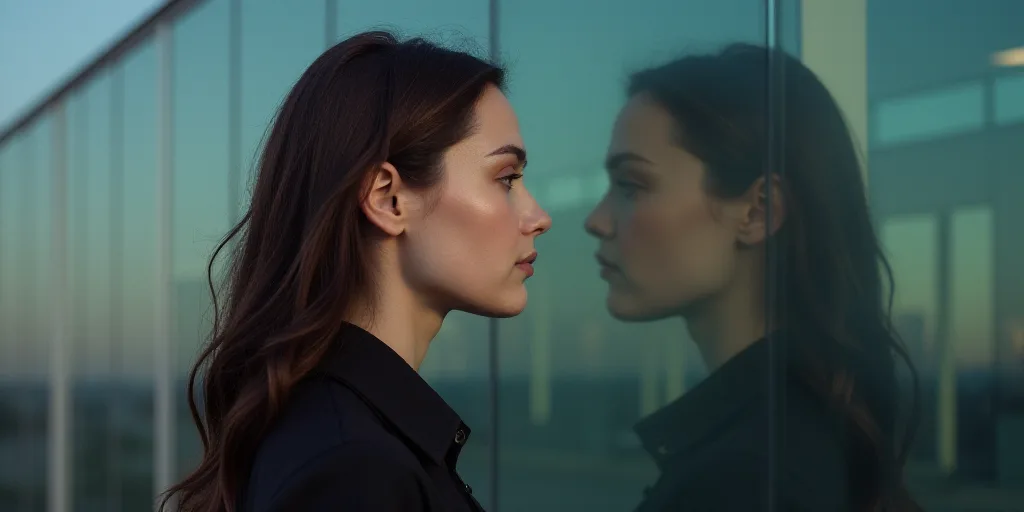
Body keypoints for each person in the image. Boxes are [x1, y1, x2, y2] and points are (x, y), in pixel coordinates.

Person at [162, 31, 551, 512]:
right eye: (506, 179)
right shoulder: (355, 470)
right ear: (388, 198)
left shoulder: (344, 438)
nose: (538, 217)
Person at [585, 44, 920, 511]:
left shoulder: (746, 477)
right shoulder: (798, 438)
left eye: (632, 185)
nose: (597, 220)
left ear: (759, 210)